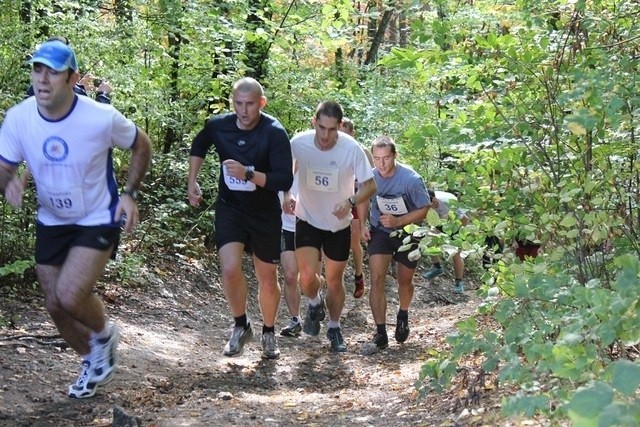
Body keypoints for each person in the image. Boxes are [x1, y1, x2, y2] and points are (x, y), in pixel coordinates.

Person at [0, 40, 152, 398]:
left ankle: (103, 335)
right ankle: (93, 359)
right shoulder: (19, 118)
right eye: (38, 69)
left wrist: (129, 194)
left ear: (73, 78)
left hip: (97, 215)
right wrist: (8, 182)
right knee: (54, 303)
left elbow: (141, 144)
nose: (43, 78)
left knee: (70, 295)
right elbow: (5, 165)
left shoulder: (99, 117)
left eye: (52, 71)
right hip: (52, 217)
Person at [188, 77, 293, 360]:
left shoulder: (274, 132)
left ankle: (268, 331)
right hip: (230, 208)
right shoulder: (219, 125)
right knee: (230, 268)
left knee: (267, 278)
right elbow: (199, 145)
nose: (243, 111)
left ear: (261, 103)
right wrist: (192, 181)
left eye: (249, 105)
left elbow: (284, 178)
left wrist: (248, 174)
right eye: (238, 104)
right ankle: (240, 324)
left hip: (264, 213)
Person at [283, 101, 376, 352]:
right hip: (307, 219)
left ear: (340, 127)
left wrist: (351, 201)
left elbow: (370, 185)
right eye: (321, 128)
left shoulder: (351, 149)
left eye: (332, 130)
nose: (325, 136)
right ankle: (314, 301)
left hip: (338, 225)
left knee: (334, 281)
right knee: (305, 278)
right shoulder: (298, 143)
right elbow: (284, 173)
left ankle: (334, 327)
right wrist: (286, 196)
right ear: (314, 122)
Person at [359, 136, 430, 354]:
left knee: (404, 281)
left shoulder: (411, 179)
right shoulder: (370, 177)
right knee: (377, 278)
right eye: (377, 159)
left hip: (408, 232)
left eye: (386, 158)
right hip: (380, 231)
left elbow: (424, 208)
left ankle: (403, 314)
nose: (381, 164)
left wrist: (399, 221)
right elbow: (362, 199)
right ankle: (380, 332)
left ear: (394, 156)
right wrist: (362, 224)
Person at [339, 117, 374, 299]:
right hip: (336, 199)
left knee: (354, 242)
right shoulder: (331, 147)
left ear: (353, 133)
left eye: (346, 134)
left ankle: (359, 275)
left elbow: (371, 179)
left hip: (356, 199)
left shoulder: (363, 151)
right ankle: (332, 282)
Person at [422, 190, 469, 293]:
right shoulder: (425, 203)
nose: (430, 206)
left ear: (434, 200)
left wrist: (461, 236)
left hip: (456, 224)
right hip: (440, 221)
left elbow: (465, 220)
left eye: (431, 204)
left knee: (455, 254)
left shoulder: (448, 202)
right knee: (429, 239)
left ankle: (458, 282)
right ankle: (437, 267)